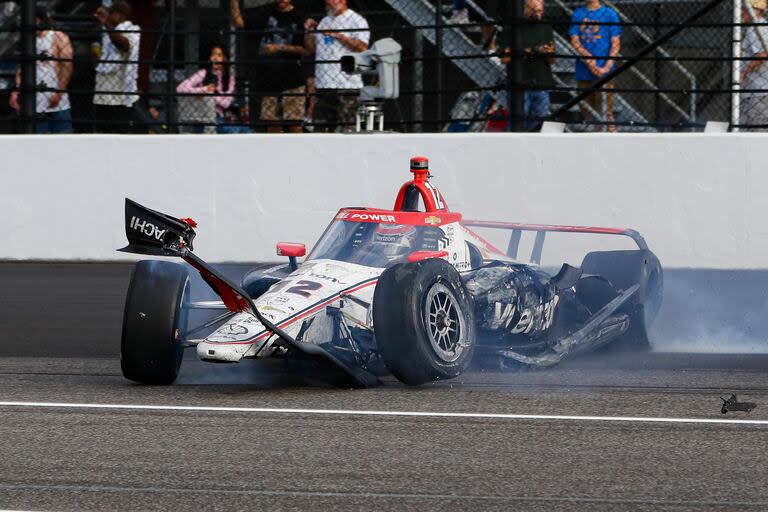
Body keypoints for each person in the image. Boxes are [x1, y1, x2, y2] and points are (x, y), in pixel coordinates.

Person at [231, 0, 309, 133]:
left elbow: (306, 50)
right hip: (268, 78)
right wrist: (234, 3)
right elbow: (239, 23)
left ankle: (297, 153)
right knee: (272, 124)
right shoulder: (265, 12)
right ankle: (275, 153)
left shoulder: (300, 16)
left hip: (292, 78)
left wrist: (280, 48)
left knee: (294, 123)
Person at [305, 0, 370, 133]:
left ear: (342, 1)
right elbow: (311, 48)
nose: (327, 3)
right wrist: (309, 31)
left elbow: (363, 48)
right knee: (320, 128)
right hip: (324, 84)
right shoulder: (324, 21)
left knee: (349, 127)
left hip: (347, 84)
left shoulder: (357, 20)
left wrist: (339, 36)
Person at [9, 5, 73, 133]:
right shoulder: (28, 40)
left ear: (38, 20)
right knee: (37, 141)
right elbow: (22, 68)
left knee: (63, 139)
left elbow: (67, 65)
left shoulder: (57, 36)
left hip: (56, 100)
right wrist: (16, 91)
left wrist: (58, 93)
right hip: (34, 101)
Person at [499, 0, 556, 130]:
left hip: (541, 82)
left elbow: (552, 60)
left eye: (540, 11)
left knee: (540, 123)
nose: (538, 15)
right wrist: (530, 51)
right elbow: (504, 58)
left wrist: (547, 52)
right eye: (535, 11)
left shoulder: (545, 27)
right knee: (517, 123)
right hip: (520, 83)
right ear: (525, 8)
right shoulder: (511, 27)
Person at [568, 0, 621, 131]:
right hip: (584, 70)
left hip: (604, 70)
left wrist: (607, 66)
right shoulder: (578, 14)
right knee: (587, 111)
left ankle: (611, 138)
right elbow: (575, 41)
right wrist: (589, 59)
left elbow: (615, 42)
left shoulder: (610, 14)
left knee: (607, 113)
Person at [92, 0, 142, 133]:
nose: (108, 17)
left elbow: (124, 45)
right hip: (102, 95)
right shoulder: (108, 33)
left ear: (119, 15)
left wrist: (106, 23)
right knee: (102, 132)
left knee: (119, 132)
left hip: (119, 97)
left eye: (111, 14)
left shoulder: (130, 30)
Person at [176, 45, 250, 134]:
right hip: (201, 118)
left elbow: (226, 103)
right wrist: (204, 89)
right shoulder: (203, 73)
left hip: (218, 117)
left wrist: (212, 94)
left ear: (225, 59)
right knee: (237, 131)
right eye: (213, 54)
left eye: (219, 55)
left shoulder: (230, 79)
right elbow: (180, 88)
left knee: (246, 130)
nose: (215, 58)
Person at [741, 0, 768, 129]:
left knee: (756, 130)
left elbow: (762, 55)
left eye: (744, 9)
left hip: (758, 91)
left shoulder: (756, 28)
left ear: (755, 10)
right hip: (759, 91)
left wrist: (742, 74)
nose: (741, 13)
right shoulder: (762, 26)